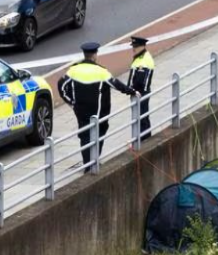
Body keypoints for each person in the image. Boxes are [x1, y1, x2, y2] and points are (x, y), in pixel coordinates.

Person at [58, 41, 132, 171]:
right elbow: (117, 85)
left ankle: (88, 164)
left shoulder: (74, 70)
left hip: (80, 111)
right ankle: (94, 161)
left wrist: (71, 101)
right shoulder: (101, 72)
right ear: (94, 55)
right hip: (99, 112)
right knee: (99, 134)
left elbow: (61, 86)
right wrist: (132, 91)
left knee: (85, 136)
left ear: (85, 54)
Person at [126, 35, 155, 140]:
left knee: (141, 119)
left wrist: (131, 90)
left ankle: (143, 141)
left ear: (142, 46)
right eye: (133, 46)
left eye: (136, 46)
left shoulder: (143, 61)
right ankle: (144, 140)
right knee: (142, 118)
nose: (133, 49)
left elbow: (139, 82)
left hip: (140, 94)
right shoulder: (141, 57)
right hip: (139, 94)